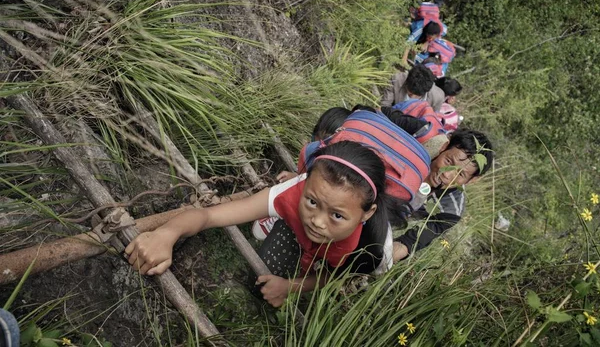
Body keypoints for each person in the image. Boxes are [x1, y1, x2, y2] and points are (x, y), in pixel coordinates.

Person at [126, 141, 397, 307]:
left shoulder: (368, 250)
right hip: (302, 227)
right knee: (267, 271)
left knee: (341, 267)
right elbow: (211, 215)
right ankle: (288, 229)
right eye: (312, 202)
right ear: (305, 182)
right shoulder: (292, 192)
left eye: (337, 215)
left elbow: (334, 276)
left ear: (366, 213)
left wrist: (291, 287)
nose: (317, 221)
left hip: (351, 260)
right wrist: (167, 233)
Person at [392, 129, 494, 261]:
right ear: (444, 148)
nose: (447, 174)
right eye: (448, 162)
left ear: (473, 180)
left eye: (460, 174)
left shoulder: (451, 211)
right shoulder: (421, 147)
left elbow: (408, 243)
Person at [380, 64, 445, 112]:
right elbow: (385, 106)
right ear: (406, 83)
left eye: (417, 97)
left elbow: (431, 120)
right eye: (410, 94)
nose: (412, 98)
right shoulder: (396, 80)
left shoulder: (438, 97)